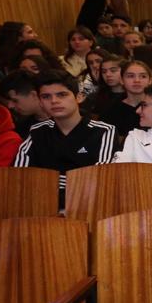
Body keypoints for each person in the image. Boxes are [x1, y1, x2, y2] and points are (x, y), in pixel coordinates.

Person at [13, 72, 117, 205]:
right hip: (41, 206)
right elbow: (19, 178)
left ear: (79, 97)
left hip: (88, 206)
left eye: (62, 94)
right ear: (40, 102)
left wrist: (46, 181)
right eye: (46, 97)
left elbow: (100, 178)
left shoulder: (103, 131)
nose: (54, 101)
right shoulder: (37, 131)